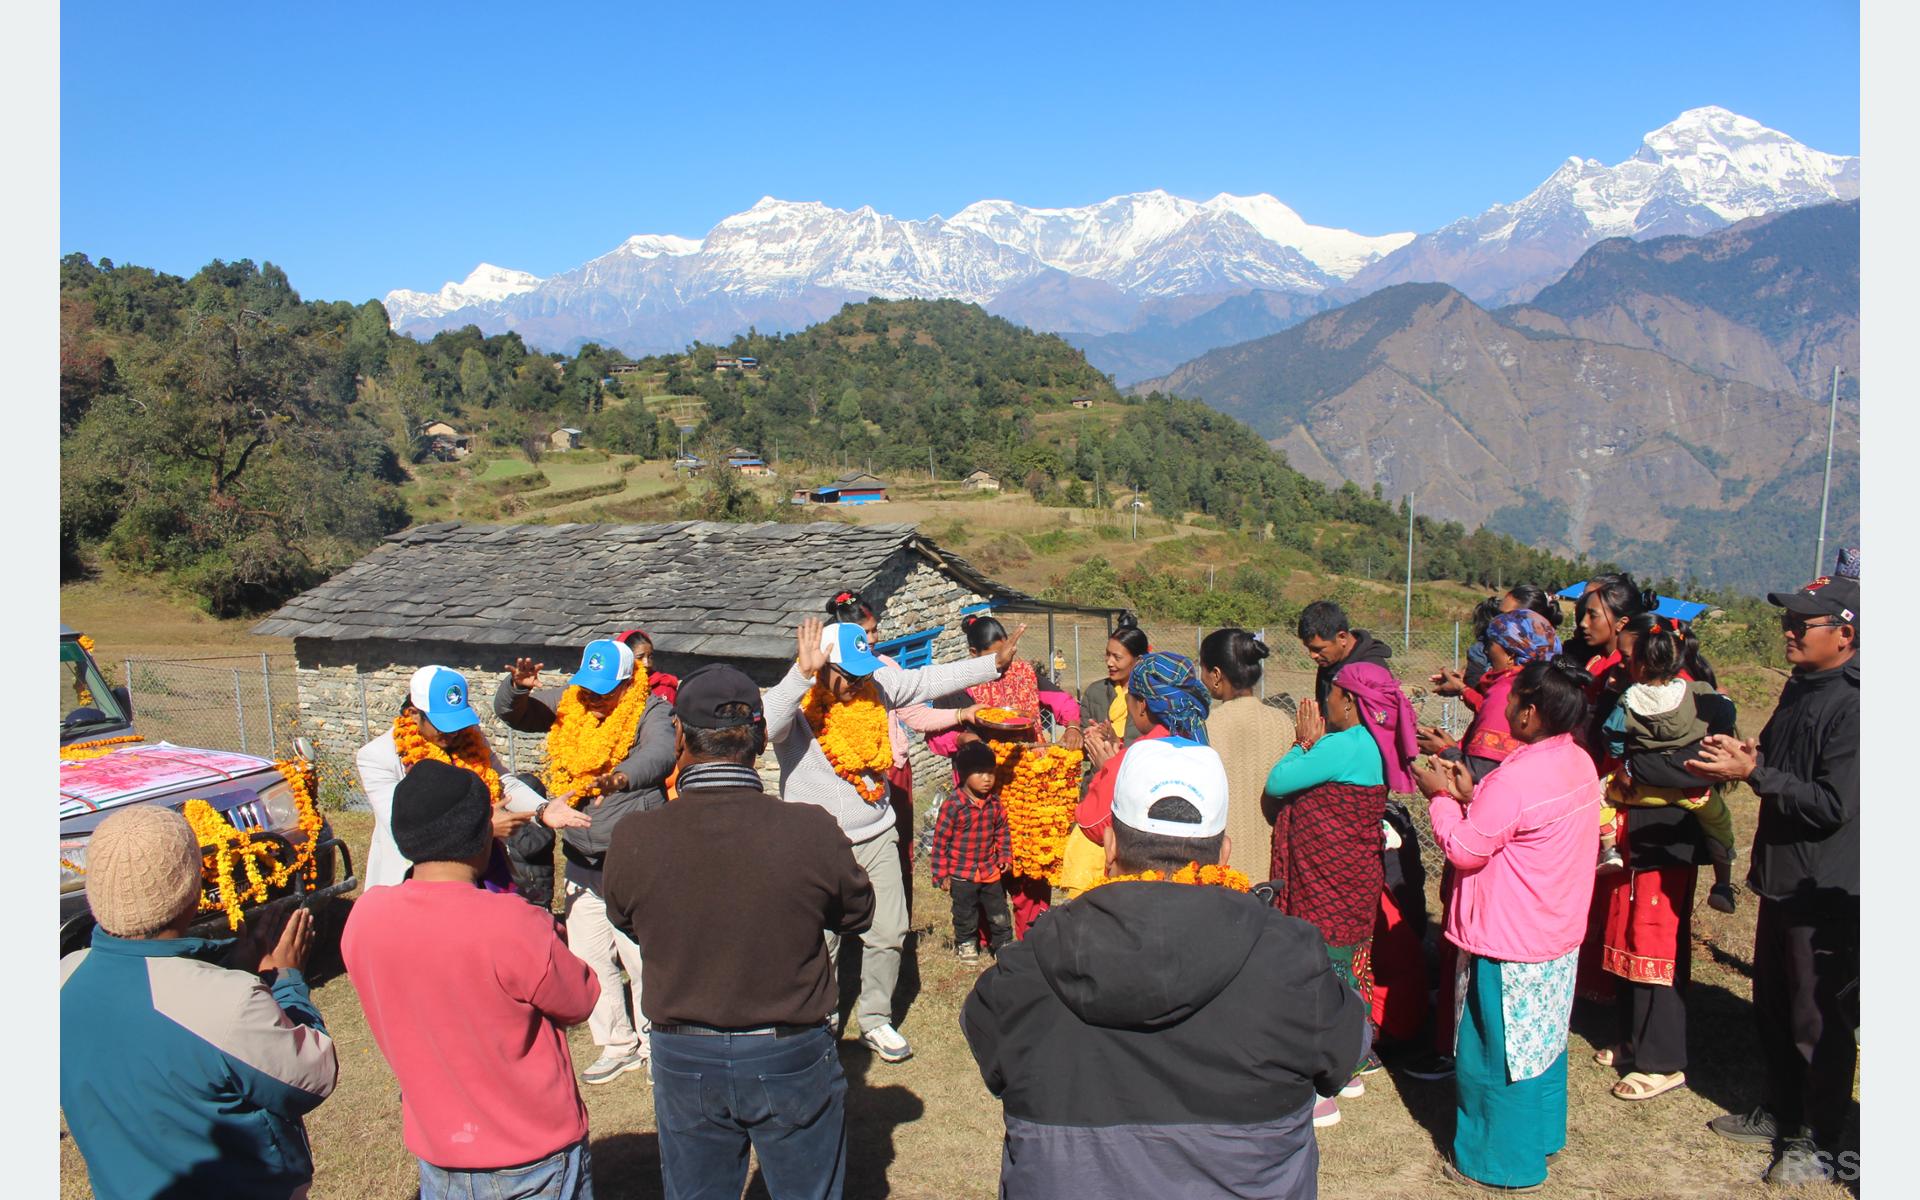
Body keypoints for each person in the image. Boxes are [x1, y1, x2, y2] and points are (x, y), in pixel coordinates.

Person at [962, 738, 1369, 1200]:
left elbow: (988, 1044)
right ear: (1223, 853)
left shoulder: (1031, 961)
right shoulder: (1291, 959)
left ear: (1110, 845)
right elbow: (1343, 1049)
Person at [602, 664, 876, 1200]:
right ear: (760, 743)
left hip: (684, 1053)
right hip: (789, 1049)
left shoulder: (636, 836)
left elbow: (625, 919)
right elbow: (856, 913)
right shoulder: (810, 828)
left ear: (679, 735)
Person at [765, 616, 1024, 1064]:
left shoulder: (877, 687)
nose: (857, 684)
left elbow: (925, 678)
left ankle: (875, 1019)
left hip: (875, 831)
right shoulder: (799, 706)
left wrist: (989, 666)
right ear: (823, 666)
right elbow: (764, 727)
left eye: (863, 674)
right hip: (813, 842)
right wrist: (799, 675)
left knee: (889, 930)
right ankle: (818, 1017)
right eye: (848, 676)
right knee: (818, 937)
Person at [343, 761, 601, 1200]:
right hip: (532, 1152)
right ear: (486, 834)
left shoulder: (365, 916)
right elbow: (580, 998)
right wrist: (546, 928)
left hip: (439, 1149)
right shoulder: (512, 924)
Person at [61, 806, 338, 1200]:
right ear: (192, 889)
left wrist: (234, 961)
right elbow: (312, 1077)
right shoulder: (230, 1003)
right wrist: (288, 980)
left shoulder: (63, 977)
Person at [1690, 569, 1859, 1187]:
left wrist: (1757, 776)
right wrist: (1745, 759)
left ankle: (1818, 1138)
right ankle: (1782, 1110)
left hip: (1826, 889)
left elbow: (1836, 805)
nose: (1788, 631)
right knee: (1775, 1007)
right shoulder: (1801, 685)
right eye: (1786, 620)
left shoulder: (1857, 702)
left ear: (1845, 634)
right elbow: (1781, 762)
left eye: (1802, 623)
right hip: (1781, 873)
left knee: (1818, 1018)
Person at [1410, 659, 1604, 1192]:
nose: (1508, 707)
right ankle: (1539, 1136)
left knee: (1495, 1049)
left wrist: (1442, 799)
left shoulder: (1517, 776)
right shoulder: (1577, 762)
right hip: (1553, 930)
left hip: (1508, 937)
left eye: (1515, 699)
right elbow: (1520, 827)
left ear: (1530, 713)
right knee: (1539, 1042)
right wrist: (1476, 796)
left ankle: (1498, 1161)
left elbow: (1467, 849)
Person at [495, 638, 676, 1086]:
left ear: (627, 682)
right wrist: (515, 690)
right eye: (588, 689)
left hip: (633, 854)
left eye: (604, 691)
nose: (593, 699)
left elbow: (660, 753)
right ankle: (618, 1044)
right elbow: (519, 715)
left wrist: (618, 777)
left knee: (642, 957)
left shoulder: (650, 708)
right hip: (580, 855)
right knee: (591, 956)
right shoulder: (571, 700)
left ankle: (659, 1044)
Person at [1262, 657, 1416, 1124]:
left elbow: (1279, 782)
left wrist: (1303, 743)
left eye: (1330, 693)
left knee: (1320, 969)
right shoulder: (1375, 743)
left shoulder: (1344, 745)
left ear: (1348, 701)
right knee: (1350, 963)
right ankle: (1349, 1067)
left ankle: (1320, 1090)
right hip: (1356, 876)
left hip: (1324, 879)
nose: (1324, 700)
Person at [356, 666, 588, 893]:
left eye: (457, 722)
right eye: (443, 724)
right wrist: (483, 831)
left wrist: (543, 809)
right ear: (415, 713)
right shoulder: (378, 757)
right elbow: (406, 830)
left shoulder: (469, 737)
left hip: (478, 873)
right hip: (416, 884)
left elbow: (502, 781)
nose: (454, 732)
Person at [828, 588, 976, 904]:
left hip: (892, 770)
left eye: (874, 629)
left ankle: (897, 923)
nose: (873, 638)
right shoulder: (823, 677)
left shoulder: (886, 668)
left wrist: (962, 714)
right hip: (848, 775)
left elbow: (916, 714)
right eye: (866, 632)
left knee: (897, 846)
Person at [923, 613, 1059, 936]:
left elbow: (1062, 702)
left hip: (1026, 788)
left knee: (1028, 869)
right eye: (996, 656)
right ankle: (986, 936)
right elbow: (934, 735)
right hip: (979, 798)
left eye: (1008, 652)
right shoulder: (958, 685)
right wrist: (960, 739)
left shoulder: (1024, 673)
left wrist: (1076, 726)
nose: (1005, 661)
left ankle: (1033, 934)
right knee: (983, 866)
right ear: (973, 656)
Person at [1599, 615, 1738, 904]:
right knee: (1720, 822)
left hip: (1640, 791)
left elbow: (1611, 731)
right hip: (1692, 793)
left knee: (1600, 797)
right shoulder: (1695, 691)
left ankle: (1610, 850)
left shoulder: (1629, 699)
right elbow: (1725, 711)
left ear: (1639, 664)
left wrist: (1620, 756)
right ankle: (1724, 883)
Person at [1062, 650, 1212, 895]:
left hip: (1139, 885)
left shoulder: (1140, 756)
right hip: (1188, 881)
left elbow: (1093, 823)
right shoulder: (1200, 749)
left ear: (1142, 705)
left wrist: (1106, 770)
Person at [1199, 628, 1297, 882]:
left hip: (1224, 865)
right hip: (1274, 864)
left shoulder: (1207, 726)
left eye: (1203, 669)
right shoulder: (1283, 723)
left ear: (1216, 675)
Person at [929, 741, 1013, 961]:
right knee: (965, 912)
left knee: (998, 911)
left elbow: (1002, 832)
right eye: (980, 773)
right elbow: (940, 843)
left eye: (991, 773)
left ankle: (1003, 944)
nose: (987, 779)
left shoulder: (994, 804)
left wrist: (1004, 856)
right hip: (961, 873)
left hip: (989, 870)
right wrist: (941, 874)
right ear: (963, 774)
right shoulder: (953, 805)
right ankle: (966, 944)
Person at [1297, 599, 1394, 709]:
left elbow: (1382, 722)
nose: (1313, 655)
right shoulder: (1329, 663)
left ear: (1342, 637)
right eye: (1309, 648)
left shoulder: (1372, 672)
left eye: (1318, 649)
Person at [1079, 612, 1150, 744]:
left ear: (1138, 660)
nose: (1109, 662)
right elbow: (1082, 731)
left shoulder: (1151, 697)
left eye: (1117, 657)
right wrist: (1089, 736)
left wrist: (1116, 741)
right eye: (1107, 654)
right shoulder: (1095, 692)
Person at [615, 628, 681, 705]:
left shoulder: (664, 687)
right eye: (639, 657)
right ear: (625, 658)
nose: (646, 663)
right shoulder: (612, 690)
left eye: (650, 657)